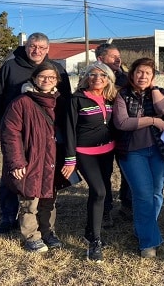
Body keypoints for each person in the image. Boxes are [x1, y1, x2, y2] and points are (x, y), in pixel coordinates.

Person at [0, 32, 71, 237]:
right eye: (32, 46)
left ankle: (42, 220)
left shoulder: (57, 70)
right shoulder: (10, 67)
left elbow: (65, 102)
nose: (36, 51)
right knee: (12, 175)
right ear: (25, 46)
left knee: (44, 177)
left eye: (41, 47)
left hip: (47, 135)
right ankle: (7, 218)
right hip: (14, 132)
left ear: (48, 50)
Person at [112, 57, 164, 258]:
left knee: (157, 192)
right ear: (132, 73)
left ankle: (144, 229)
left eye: (148, 73)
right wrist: (153, 121)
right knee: (142, 194)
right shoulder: (122, 95)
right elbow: (122, 123)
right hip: (132, 151)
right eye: (139, 72)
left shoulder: (159, 93)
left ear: (153, 77)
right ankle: (148, 242)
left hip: (160, 151)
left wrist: (154, 89)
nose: (143, 76)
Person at [0, 62, 63, 252]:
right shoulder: (22, 103)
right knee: (30, 200)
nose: (47, 80)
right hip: (31, 158)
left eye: (51, 77)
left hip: (52, 159)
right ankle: (31, 236)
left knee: (49, 199)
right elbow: (10, 134)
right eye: (43, 76)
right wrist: (17, 162)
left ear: (56, 80)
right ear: (34, 78)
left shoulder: (60, 102)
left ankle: (48, 231)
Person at [63, 62, 118, 262]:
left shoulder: (111, 97)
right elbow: (68, 130)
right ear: (86, 77)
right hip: (85, 153)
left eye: (102, 75)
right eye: (93, 75)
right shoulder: (76, 99)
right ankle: (95, 241)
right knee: (100, 191)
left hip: (107, 151)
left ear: (108, 79)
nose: (97, 78)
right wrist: (70, 160)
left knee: (101, 191)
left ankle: (89, 230)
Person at [95, 43, 132, 225]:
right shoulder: (93, 79)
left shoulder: (127, 79)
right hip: (102, 136)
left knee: (129, 172)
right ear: (100, 59)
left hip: (126, 134)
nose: (118, 60)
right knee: (103, 174)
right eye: (113, 57)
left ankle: (127, 206)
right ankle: (105, 211)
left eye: (119, 56)